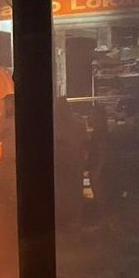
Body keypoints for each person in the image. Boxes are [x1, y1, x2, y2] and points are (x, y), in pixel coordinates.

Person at [54, 97, 86, 230]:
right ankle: (74, 219)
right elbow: (84, 143)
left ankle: (64, 219)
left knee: (62, 191)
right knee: (73, 191)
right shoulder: (79, 124)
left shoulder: (54, 125)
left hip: (62, 162)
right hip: (74, 162)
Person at [0, 95, 17, 201]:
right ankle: (5, 200)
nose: (7, 106)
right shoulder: (3, 118)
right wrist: (3, 134)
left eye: (9, 103)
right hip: (6, 156)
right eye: (6, 104)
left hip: (16, 157)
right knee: (3, 178)